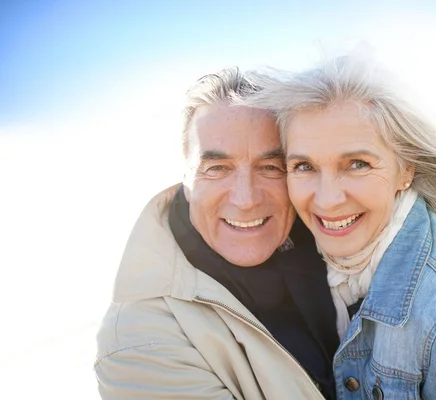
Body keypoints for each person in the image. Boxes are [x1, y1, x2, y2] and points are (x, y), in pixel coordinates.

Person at [245, 56, 436, 399]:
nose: (327, 200)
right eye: (304, 166)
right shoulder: (318, 262)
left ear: (406, 168)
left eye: (357, 164)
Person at [94, 68, 339, 399]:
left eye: (270, 167)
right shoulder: (140, 338)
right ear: (185, 177)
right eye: (217, 169)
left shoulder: (339, 252)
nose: (246, 198)